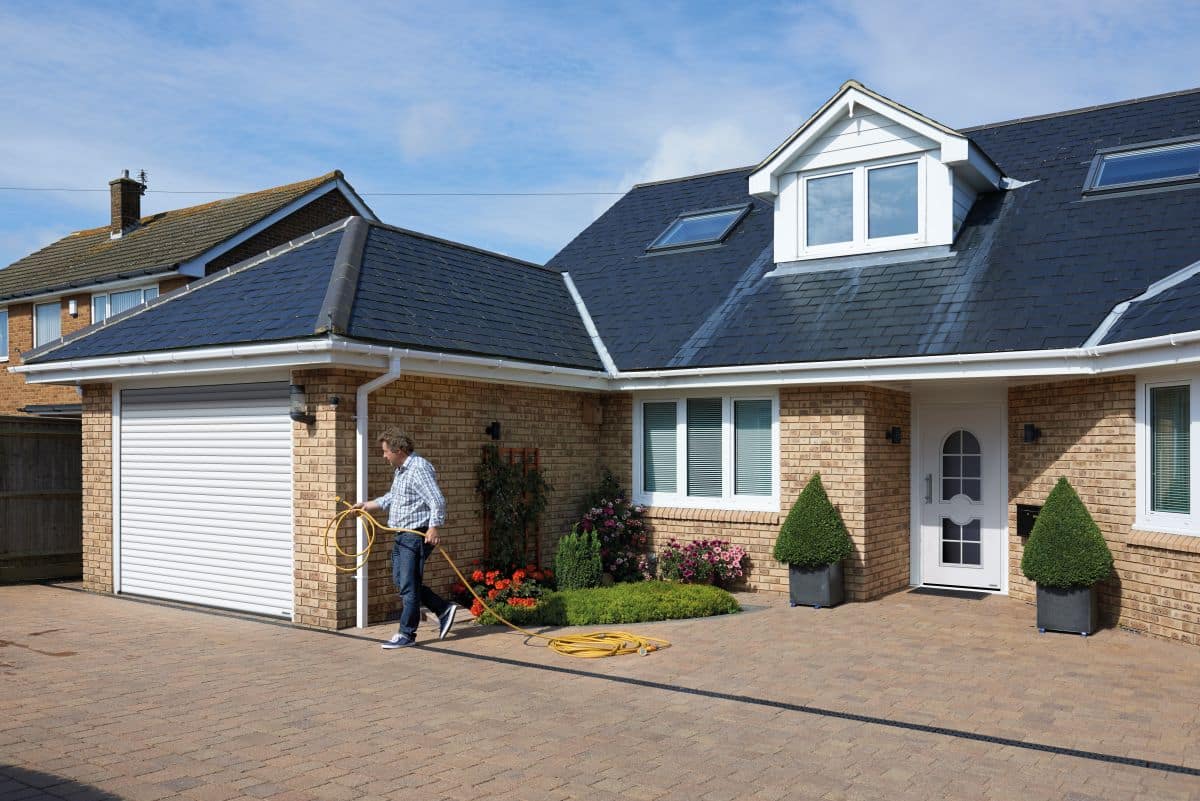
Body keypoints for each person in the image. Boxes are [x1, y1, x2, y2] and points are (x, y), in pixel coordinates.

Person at [353, 430, 458, 649]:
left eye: (385, 452)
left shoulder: (418, 468)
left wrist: (434, 528)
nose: (384, 456)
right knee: (402, 582)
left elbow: (437, 499)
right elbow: (394, 497)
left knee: (408, 585)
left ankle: (406, 633)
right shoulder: (402, 470)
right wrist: (367, 505)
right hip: (402, 535)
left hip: (415, 534)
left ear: (398, 451)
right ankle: (442, 608)